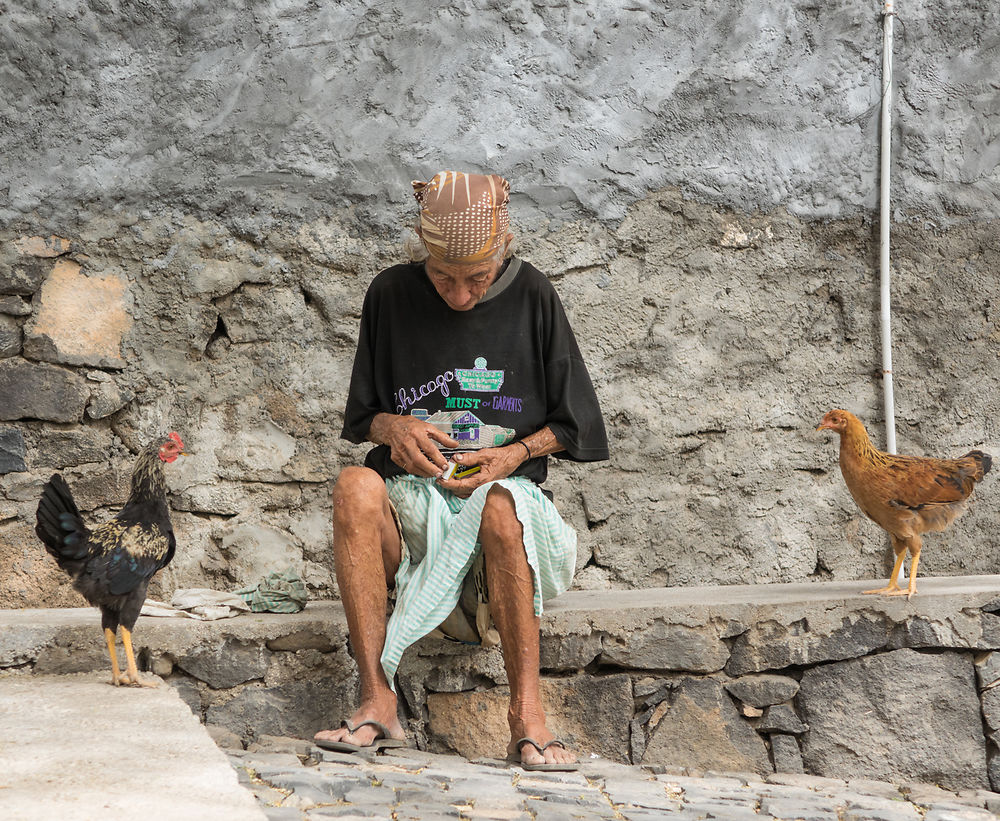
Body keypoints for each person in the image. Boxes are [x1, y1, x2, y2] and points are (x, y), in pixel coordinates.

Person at [314, 170, 609, 770]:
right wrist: (392, 427)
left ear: (501, 246)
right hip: (413, 509)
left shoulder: (533, 296)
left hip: (502, 521)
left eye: (475, 278)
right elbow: (362, 416)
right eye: (444, 277)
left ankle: (528, 719)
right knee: (353, 485)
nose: (458, 294)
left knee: (501, 502)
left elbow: (575, 424)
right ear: (422, 252)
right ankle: (376, 700)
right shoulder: (390, 295)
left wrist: (514, 454)